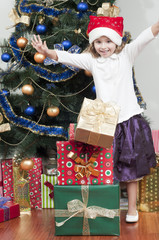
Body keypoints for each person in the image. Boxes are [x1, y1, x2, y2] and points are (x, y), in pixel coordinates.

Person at [32, 15, 158, 223]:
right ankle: (110, 206)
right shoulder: (91, 60)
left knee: (132, 168)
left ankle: (132, 208)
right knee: (105, 167)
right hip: (103, 123)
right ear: (92, 43)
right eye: (98, 42)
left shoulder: (127, 54)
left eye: (108, 41)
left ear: (116, 41)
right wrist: (47, 52)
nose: (103, 46)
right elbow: (65, 57)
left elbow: (147, 35)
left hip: (128, 121)